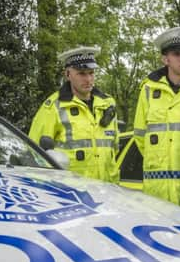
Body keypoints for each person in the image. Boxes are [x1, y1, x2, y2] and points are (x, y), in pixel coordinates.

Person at [133, 26, 180, 209]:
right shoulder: (149, 89)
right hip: (157, 191)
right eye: (177, 54)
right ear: (165, 59)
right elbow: (140, 135)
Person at [29, 46, 119, 183]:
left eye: (91, 73)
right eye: (82, 74)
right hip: (72, 192)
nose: (88, 79)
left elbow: (115, 147)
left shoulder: (108, 103)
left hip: (107, 190)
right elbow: (35, 154)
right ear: (67, 74)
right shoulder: (53, 107)